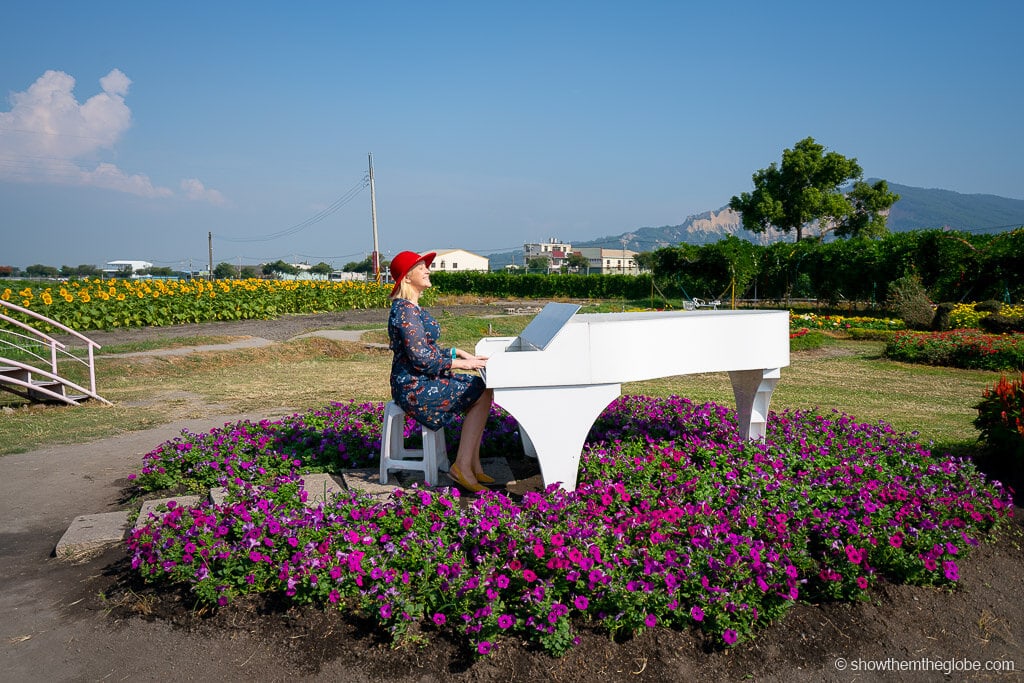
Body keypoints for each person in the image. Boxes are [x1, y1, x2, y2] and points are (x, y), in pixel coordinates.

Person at [387, 250, 494, 492]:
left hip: (421, 379)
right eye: (421, 267)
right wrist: (462, 364)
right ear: (406, 278)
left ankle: (472, 464)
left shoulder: (413, 308)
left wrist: (456, 353)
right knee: (480, 389)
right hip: (413, 386)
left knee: (484, 389)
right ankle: (462, 467)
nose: (427, 270)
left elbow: (426, 348)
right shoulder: (404, 311)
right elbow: (421, 358)